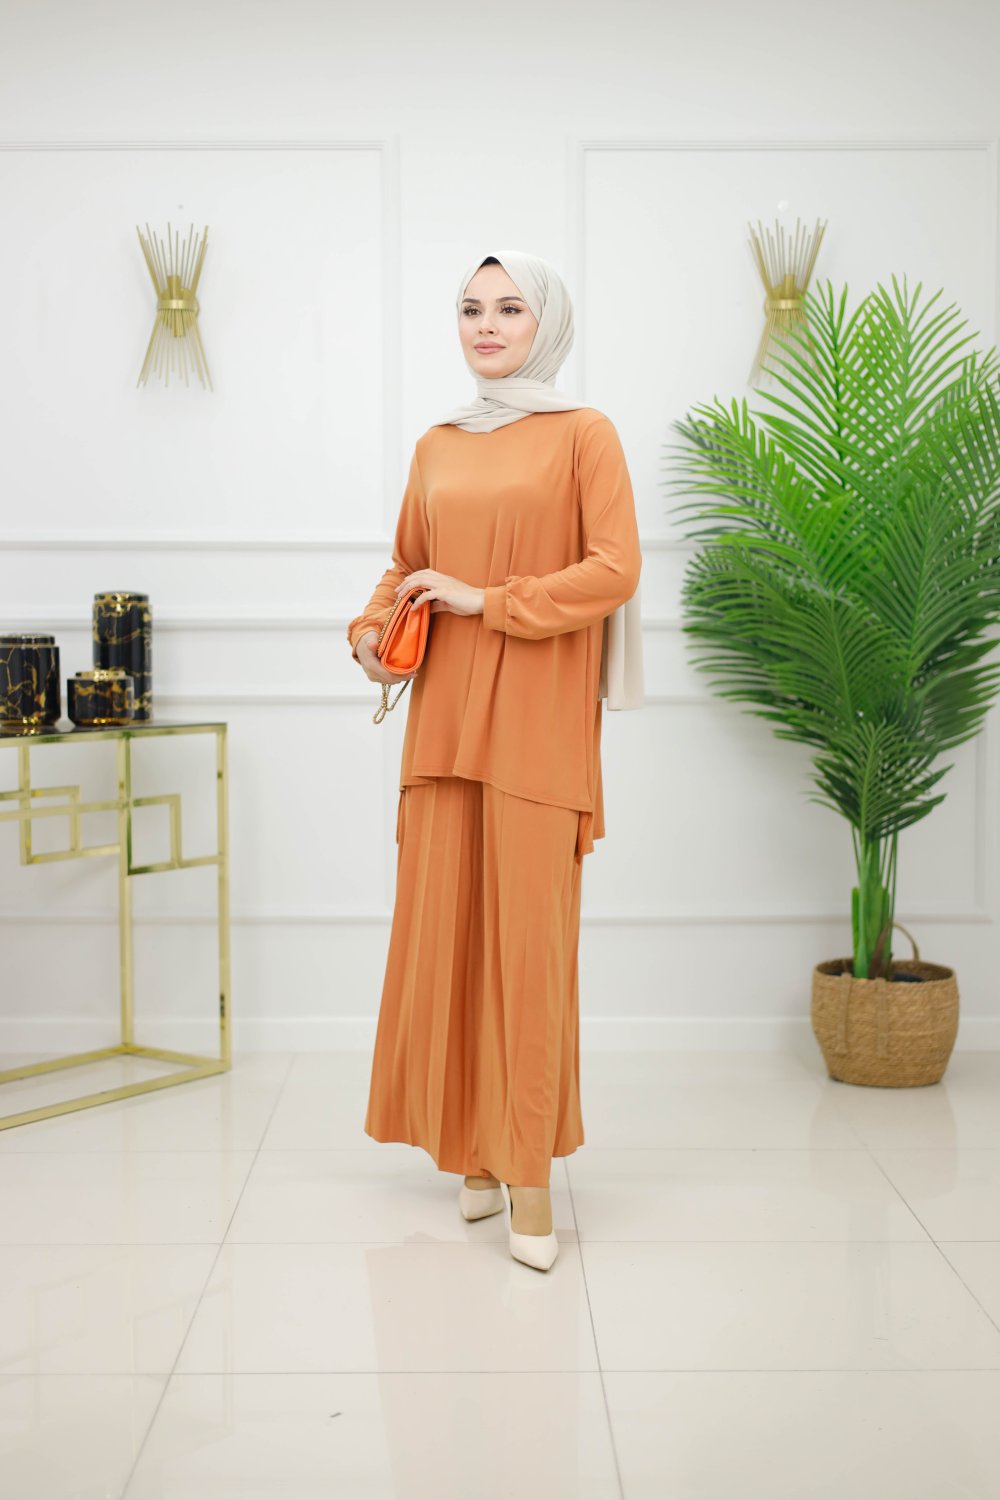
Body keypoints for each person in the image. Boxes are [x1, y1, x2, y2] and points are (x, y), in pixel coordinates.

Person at [347, 249, 643, 1271]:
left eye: (509, 308)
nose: (486, 324)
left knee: (527, 954)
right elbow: (405, 563)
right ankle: (472, 1156)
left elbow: (614, 568)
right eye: (471, 308)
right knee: (450, 945)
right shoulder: (438, 442)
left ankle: (529, 1177)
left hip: (536, 728)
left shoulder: (584, 434)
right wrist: (368, 631)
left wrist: (488, 600)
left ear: (544, 322)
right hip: (442, 727)